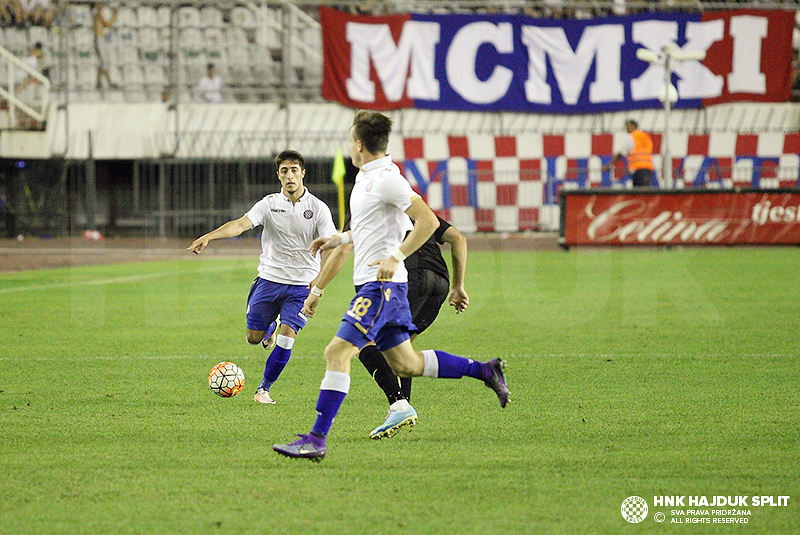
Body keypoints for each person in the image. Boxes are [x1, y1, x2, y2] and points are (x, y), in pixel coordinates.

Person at [273, 110, 508, 462]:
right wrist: (337, 239)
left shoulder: (387, 179)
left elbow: (427, 220)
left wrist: (396, 256)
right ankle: (485, 370)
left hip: (380, 289)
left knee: (336, 352)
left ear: (358, 144)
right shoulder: (368, 179)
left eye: (351, 139)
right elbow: (369, 229)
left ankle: (316, 439)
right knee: (406, 364)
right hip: (381, 287)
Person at [187, 150, 337, 405]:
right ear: (278, 175)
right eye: (284, 171)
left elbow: (333, 246)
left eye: (294, 170)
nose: (289, 176)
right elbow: (240, 224)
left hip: (302, 286)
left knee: (288, 338)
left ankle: (263, 389)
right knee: (253, 338)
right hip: (268, 280)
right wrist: (209, 236)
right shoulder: (269, 204)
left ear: (303, 173)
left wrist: (319, 285)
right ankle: (269, 329)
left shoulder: (318, 208)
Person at [303, 213, 469, 440]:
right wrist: (458, 286)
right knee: (402, 348)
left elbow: (343, 250)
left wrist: (317, 288)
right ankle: (403, 407)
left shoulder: (368, 200)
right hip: (439, 282)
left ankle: (399, 404)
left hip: (407, 277)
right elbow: (458, 238)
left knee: (362, 343)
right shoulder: (410, 203)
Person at [605, 119, 655, 187]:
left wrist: (610, 165)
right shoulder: (646, 136)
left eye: (628, 126)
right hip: (648, 169)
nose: (627, 129)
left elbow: (620, 153)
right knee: (645, 192)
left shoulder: (631, 137)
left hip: (638, 169)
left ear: (633, 126)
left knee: (638, 193)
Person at [93, 2, 119, 89]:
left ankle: (99, 82)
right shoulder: (98, 13)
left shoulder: (100, 12)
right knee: (104, 61)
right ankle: (108, 81)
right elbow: (108, 24)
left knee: (104, 62)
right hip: (99, 39)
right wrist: (115, 15)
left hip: (103, 38)